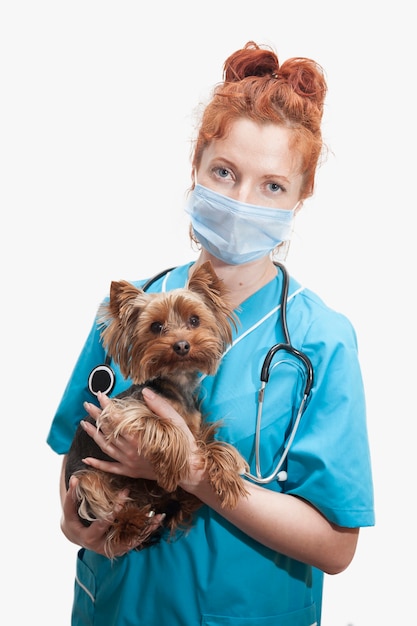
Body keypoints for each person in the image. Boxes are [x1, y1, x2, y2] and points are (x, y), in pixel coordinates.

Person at [47, 41, 375, 626]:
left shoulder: (319, 340)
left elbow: (336, 547)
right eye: (223, 173)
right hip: (120, 610)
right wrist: (74, 520)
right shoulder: (127, 310)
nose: (240, 201)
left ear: (302, 196)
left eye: (271, 186)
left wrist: (191, 471)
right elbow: (77, 446)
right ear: (196, 167)